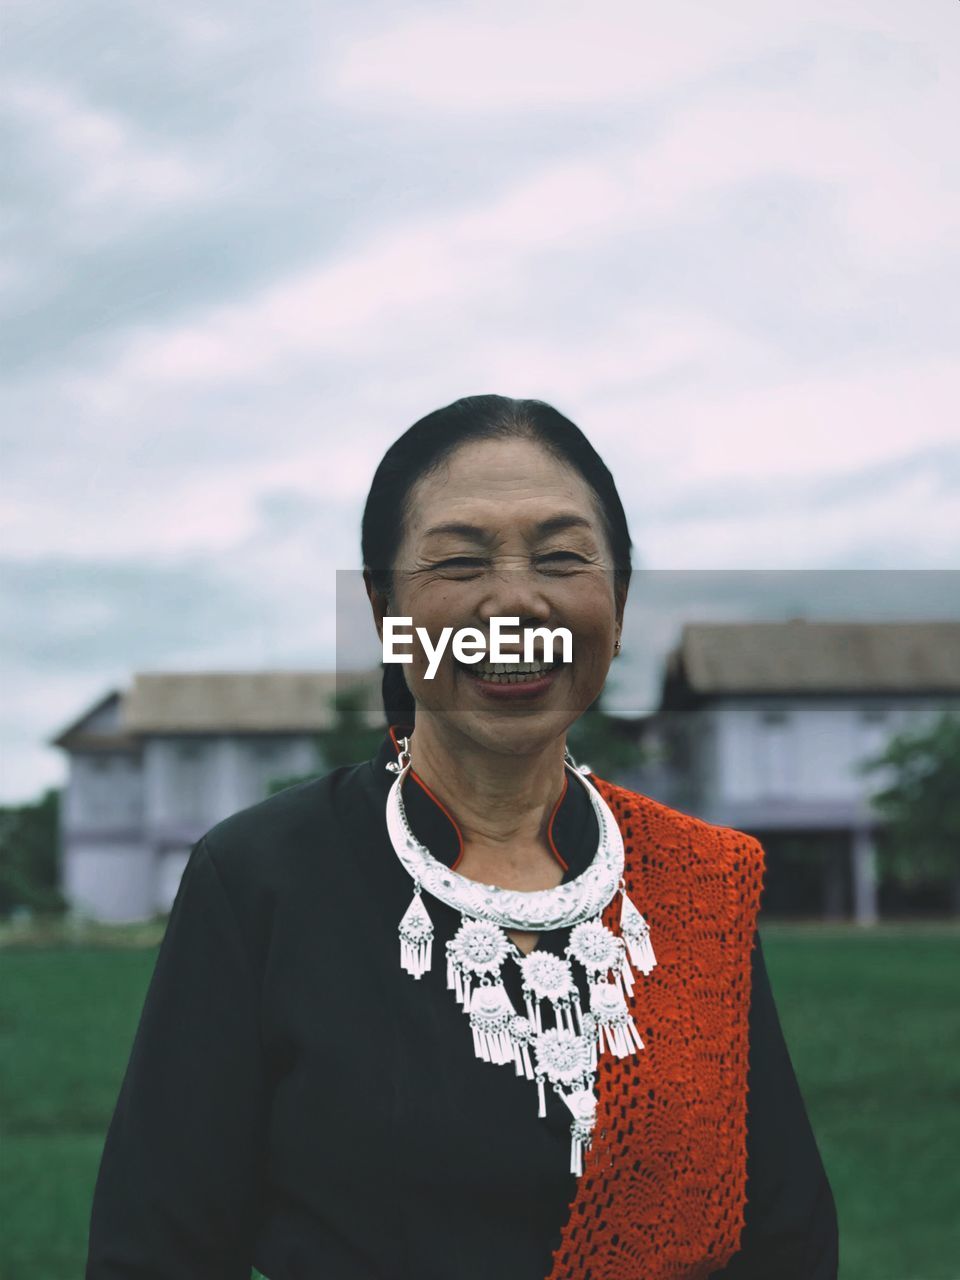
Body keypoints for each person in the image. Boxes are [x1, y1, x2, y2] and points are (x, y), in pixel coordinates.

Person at [85, 395, 839, 1280]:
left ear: (619, 604)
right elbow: (158, 1253)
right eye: (457, 562)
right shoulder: (258, 879)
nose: (516, 600)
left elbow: (786, 1237)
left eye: (562, 558)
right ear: (384, 611)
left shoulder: (702, 881)